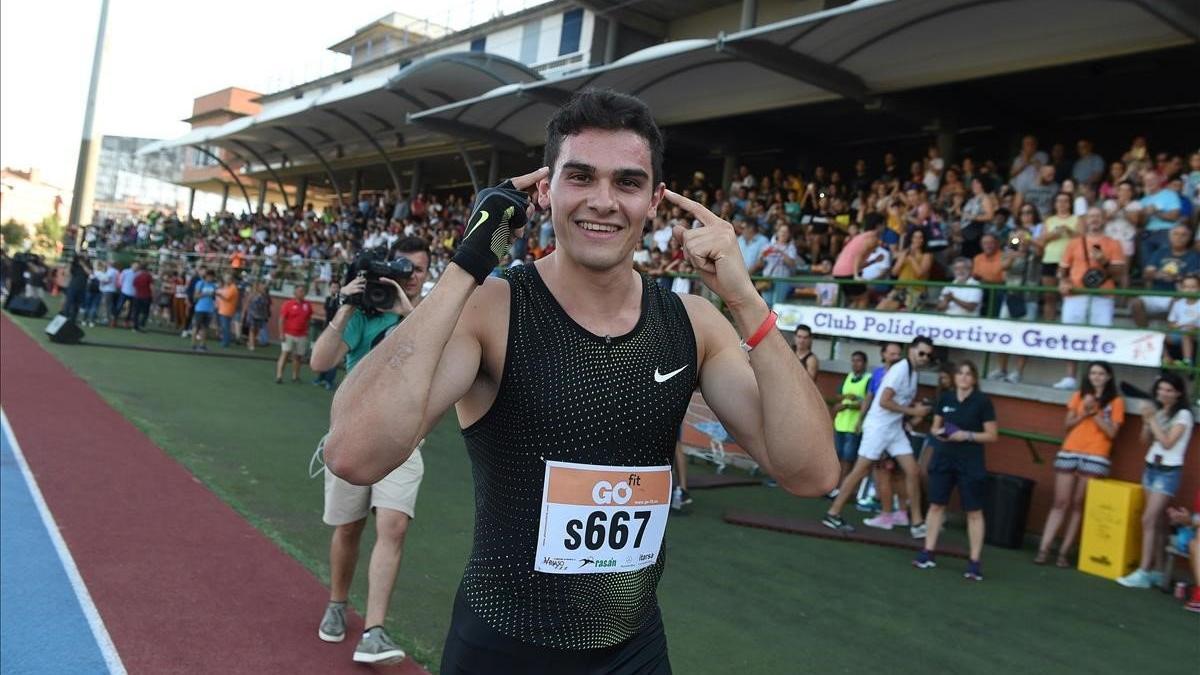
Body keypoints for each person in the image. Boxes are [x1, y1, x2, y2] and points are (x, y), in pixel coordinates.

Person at [324, 90, 837, 673]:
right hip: (502, 645)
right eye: (580, 176)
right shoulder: (493, 309)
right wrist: (468, 263)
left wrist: (744, 299)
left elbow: (811, 472)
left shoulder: (692, 323)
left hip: (635, 649)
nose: (603, 201)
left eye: (627, 182)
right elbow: (353, 454)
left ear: (654, 200)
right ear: (545, 191)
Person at [309, 238, 430, 664]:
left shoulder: (430, 313)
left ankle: (375, 630)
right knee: (348, 529)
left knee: (394, 526)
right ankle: (338, 602)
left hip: (403, 439)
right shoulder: (363, 314)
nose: (411, 276)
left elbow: (441, 356)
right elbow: (320, 362)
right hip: (353, 435)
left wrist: (407, 314)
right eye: (405, 268)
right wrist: (345, 305)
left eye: (418, 269)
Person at [824, 337, 934, 538]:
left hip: (893, 429)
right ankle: (833, 512)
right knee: (860, 470)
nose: (925, 357)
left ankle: (917, 523)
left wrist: (914, 410)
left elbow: (897, 402)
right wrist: (912, 411)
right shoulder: (900, 370)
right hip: (878, 427)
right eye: (922, 353)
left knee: (913, 470)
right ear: (912, 351)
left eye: (928, 355)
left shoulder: (912, 372)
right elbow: (884, 401)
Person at [912, 360, 997, 580]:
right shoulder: (946, 398)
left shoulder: (982, 402)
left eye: (969, 374)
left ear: (975, 379)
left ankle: (974, 562)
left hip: (970, 461)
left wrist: (966, 435)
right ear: (955, 377)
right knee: (936, 505)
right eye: (960, 373)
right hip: (944, 457)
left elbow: (992, 435)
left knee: (974, 511)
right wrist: (940, 432)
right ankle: (927, 552)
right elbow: (934, 426)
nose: (964, 377)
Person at [1035, 362, 1124, 567]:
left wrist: (1095, 413)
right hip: (1071, 449)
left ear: (1109, 377)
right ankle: (1044, 548)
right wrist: (1084, 411)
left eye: (1101, 373)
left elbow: (1112, 433)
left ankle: (1064, 552)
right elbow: (1067, 425)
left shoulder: (1116, 401)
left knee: (1078, 504)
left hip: (1097, 453)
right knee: (1060, 502)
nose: (1096, 377)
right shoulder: (1079, 395)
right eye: (1093, 373)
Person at [1113, 373, 1194, 589]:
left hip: (1168, 471)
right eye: (1160, 389)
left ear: (1178, 393)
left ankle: (1144, 571)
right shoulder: (1159, 411)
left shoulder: (1184, 415)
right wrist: (1147, 423)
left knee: (1148, 519)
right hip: (1151, 467)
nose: (1163, 394)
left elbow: (1168, 443)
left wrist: (1151, 419)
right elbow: (1145, 440)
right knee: (1156, 522)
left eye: (1169, 390)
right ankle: (1158, 571)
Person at [1052, 207, 1127, 390]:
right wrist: (1063, 281)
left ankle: (1098, 382)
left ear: (1104, 220)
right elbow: (1062, 269)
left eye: (1098, 216)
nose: (1094, 219)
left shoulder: (1114, 243)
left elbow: (1118, 273)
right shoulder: (1074, 243)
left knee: (1100, 338)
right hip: (1075, 294)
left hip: (1102, 296)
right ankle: (1070, 377)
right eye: (1091, 216)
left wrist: (1104, 262)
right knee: (1071, 335)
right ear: (1086, 220)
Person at [1130, 224, 1200, 328]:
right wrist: (1157, 274)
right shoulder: (1160, 252)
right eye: (1175, 234)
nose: (1179, 237)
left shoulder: (1194, 256)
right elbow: (1147, 273)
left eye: (1183, 235)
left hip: (1177, 295)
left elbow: (1193, 279)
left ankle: (1168, 337)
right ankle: (1145, 333)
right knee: (1135, 303)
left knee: (1176, 304)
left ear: (1189, 238)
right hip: (1155, 294)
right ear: (1169, 236)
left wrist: (1175, 278)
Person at [830, 350, 870, 496]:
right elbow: (838, 395)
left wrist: (849, 405)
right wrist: (845, 397)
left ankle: (842, 488)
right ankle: (835, 485)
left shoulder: (868, 379)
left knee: (848, 458)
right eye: (853, 360)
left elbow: (868, 402)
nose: (855, 363)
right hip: (841, 423)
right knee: (838, 456)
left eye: (858, 360)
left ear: (865, 363)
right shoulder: (848, 377)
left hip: (854, 426)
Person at [276, 284, 312, 383]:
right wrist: (281, 333)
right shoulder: (288, 304)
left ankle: (295, 376)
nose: (302, 293)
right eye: (300, 291)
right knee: (285, 353)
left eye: (303, 291)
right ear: (295, 293)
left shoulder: (307, 305)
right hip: (288, 334)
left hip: (302, 335)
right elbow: (281, 319)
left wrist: (307, 330)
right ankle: (279, 376)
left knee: (298, 356)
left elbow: (308, 319)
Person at [1165, 274, 1200, 365]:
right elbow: (1171, 323)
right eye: (1186, 287)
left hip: (1196, 332)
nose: (1189, 290)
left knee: (1186, 333)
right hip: (1180, 331)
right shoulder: (1178, 303)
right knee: (1161, 336)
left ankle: (1187, 362)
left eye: (1193, 287)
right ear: (1182, 288)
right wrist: (1174, 326)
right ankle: (1167, 360)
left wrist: (1193, 327)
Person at [191, 270, 217, 351]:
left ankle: (202, 344)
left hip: (209, 309)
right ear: (206, 276)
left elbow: (214, 297)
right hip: (200, 308)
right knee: (196, 326)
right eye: (209, 276)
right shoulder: (200, 283)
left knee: (205, 327)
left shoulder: (213, 286)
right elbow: (195, 296)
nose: (210, 278)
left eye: (212, 277)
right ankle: (193, 344)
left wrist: (213, 295)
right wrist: (204, 294)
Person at [215, 273, 240, 348]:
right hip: (223, 309)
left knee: (226, 327)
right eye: (225, 278)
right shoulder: (227, 287)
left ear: (231, 279)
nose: (225, 280)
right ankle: (225, 341)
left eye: (227, 278)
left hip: (227, 310)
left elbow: (227, 298)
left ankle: (226, 342)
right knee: (225, 326)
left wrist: (218, 294)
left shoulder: (233, 288)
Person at [246, 283, 270, 352]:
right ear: (258, 288)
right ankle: (251, 345)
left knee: (257, 330)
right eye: (262, 288)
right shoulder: (253, 295)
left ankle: (251, 341)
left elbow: (266, 307)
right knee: (252, 329)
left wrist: (266, 316)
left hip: (261, 316)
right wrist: (247, 312)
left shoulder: (265, 297)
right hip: (252, 314)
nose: (263, 290)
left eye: (264, 288)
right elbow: (248, 302)